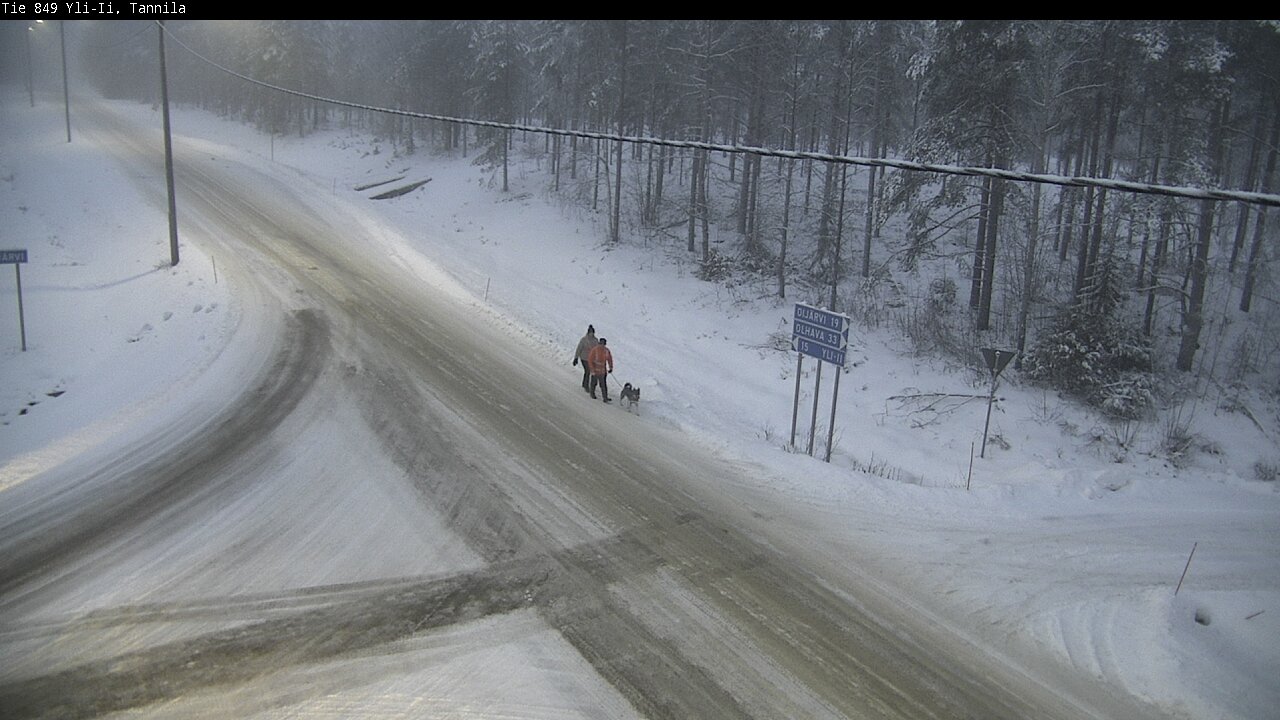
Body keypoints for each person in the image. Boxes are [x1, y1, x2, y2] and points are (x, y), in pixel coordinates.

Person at [587, 337, 614, 403]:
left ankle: (605, 397)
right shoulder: (595, 350)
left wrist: (610, 367)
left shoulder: (606, 351)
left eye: (604, 344)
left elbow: (609, 359)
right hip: (595, 371)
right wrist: (592, 370)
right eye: (601, 344)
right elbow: (590, 360)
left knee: (603, 385)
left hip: (603, 371)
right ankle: (592, 393)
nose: (602, 346)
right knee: (594, 383)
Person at [573, 325, 598, 393]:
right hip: (584, 358)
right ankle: (586, 385)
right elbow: (579, 348)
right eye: (590, 332)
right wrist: (576, 358)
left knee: (589, 371)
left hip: (591, 359)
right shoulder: (584, 340)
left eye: (592, 333)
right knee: (587, 371)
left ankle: (585, 383)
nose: (591, 334)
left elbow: (597, 350)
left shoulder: (595, 340)